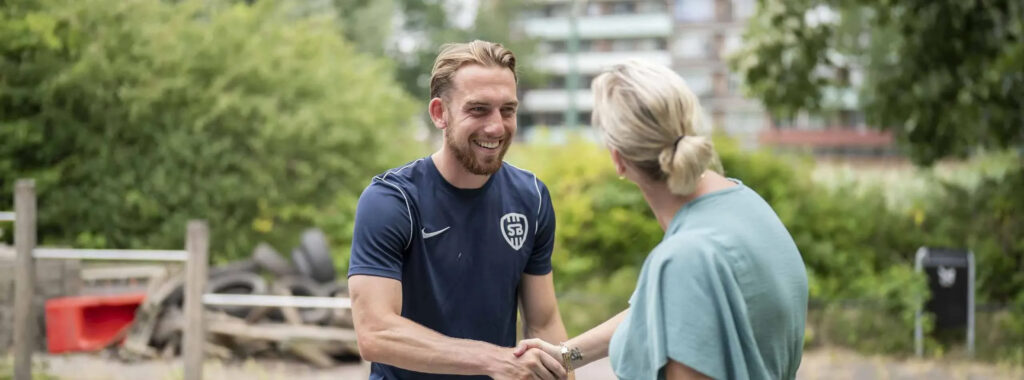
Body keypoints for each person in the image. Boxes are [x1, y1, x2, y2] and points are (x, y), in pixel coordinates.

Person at [515, 60, 809, 380]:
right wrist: (566, 355)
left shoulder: (685, 258)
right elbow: (666, 310)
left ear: (618, 160)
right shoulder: (745, 205)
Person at [348, 40, 569, 380]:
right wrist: (496, 360)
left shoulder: (532, 197)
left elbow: (544, 323)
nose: (496, 127)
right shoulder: (392, 200)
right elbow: (376, 334)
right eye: (478, 109)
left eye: (507, 110)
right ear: (440, 113)